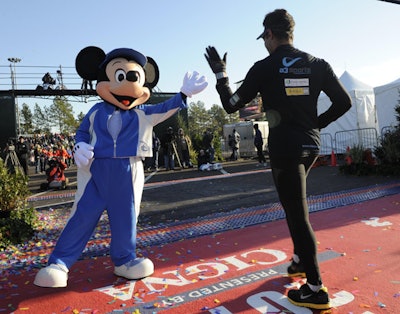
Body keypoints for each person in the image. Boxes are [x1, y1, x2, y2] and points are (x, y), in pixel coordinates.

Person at [205, 8, 351, 310]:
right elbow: (344, 102)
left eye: (264, 38)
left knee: (298, 215)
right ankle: (299, 261)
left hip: (286, 149)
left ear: (269, 34)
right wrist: (317, 124)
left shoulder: (264, 67)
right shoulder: (317, 63)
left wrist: (221, 74)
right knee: (296, 208)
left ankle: (315, 289)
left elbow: (232, 105)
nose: (264, 42)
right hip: (310, 146)